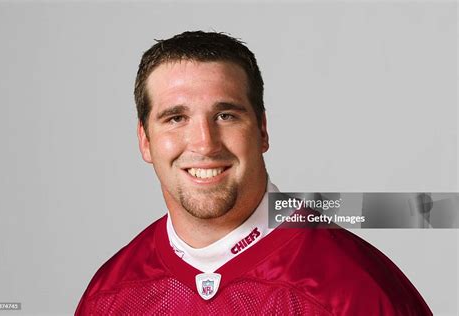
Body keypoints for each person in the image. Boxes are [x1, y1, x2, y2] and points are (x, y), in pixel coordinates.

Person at [76, 31, 432, 315]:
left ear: (262, 130)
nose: (204, 143)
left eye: (226, 115)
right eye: (176, 119)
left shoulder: (355, 291)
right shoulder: (108, 296)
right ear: (145, 141)